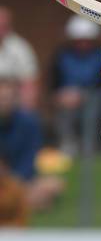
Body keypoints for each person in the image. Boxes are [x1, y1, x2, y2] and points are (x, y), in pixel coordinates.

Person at [0, 68, 63, 212]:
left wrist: (15, 181)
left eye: (7, 98)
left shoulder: (30, 122)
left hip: (21, 181)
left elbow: (30, 158)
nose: (4, 103)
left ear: (15, 98)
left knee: (54, 184)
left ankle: (13, 204)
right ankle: (19, 204)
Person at [51, 15, 101, 155]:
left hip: (97, 97)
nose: (83, 44)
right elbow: (54, 85)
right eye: (79, 41)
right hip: (69, 101)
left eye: (86, 40)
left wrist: (85, 94)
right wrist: (62, 95)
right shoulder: (62, 55)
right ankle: (68, 144)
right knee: (63, 104)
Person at [0, 6, 39, 110]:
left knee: (29, 118)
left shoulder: (20, 47)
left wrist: (26, 106)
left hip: (14, 105)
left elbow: (30, 82)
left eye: (3, 26)